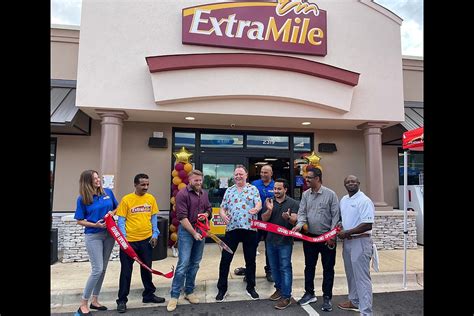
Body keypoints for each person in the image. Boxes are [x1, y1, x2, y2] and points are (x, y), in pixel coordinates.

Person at [115, 173, 165, 313]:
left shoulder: (151, 199)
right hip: (129, 243)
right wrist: (124, 240)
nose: (146, 187)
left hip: (146, 241)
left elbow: (153, 217)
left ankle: (148, 295)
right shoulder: (126, 200)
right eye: (143, 185)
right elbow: (121, 221)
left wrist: (155, 234)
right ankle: (122, 300)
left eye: (147, 184)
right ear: (135, 185)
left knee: (147, 269)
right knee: (126, 271)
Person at [292, 167, 340, 312]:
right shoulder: (306, 195)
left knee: (328, 269)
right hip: (310, 237)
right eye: (306, 178)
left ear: (318, 178)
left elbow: (335, 216)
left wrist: (332, 236)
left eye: (309, 178)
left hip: (327, 239)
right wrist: (299, 225)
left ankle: (327, 298)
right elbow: (302, 213)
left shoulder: (331, 194)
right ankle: (309, 293)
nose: (306, 180)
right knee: (309, 267)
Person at [74, 170, 118, 315]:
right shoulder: (82, 198)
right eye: (94, 179)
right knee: (97, 269)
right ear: (88, 182)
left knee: (103, 268)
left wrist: (112, 213)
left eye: (98, 177)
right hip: (94, 236)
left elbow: (116, 207)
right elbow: (80, 220)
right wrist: (96, 225)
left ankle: (95, 300)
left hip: (109, 234)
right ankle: (83, 303)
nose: (98, 180)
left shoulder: (108, 193)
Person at [167, 170, 212, 312]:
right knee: (183, 264)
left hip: (201, 230)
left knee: (195, 263)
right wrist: (193, 233)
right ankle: (174, 296)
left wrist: (206, 214)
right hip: (187, 231)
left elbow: (209, 208)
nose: (198, 183)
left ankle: (189, 292)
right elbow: (182, 217)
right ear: (189, 180)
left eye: (200, 180)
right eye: (196, 180)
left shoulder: (204, 193)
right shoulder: (182, 194)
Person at [215, 165, 262, 302]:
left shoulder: (253, 189)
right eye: (236, 174)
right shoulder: (229, 190)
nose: (238, 176)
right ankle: (222, 289)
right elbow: (222, 208)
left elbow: (259, 203)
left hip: (250, 229)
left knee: (250, 260)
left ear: (246, 175)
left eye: (241, 174)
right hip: (232, 229)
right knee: (225, 259)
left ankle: (251, 287)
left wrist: (256, 209)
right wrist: (223, 215)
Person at [337, 175, 375, 315]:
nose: (350, 183)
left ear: (358, 183)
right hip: (348, 242)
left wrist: (347, 232)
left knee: (362, 278)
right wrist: (341, 227)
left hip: (361, 241)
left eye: (353, 181)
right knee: (351, 275)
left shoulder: (364, 200)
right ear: (344, 185)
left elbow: (367, 224)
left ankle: (366, 311)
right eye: (347, 182)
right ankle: (354, 301)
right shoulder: (344, 200)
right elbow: (346, 219)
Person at [262, 178, 299, 310]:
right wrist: (269, 210)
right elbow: (264, 219)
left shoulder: (293, 203)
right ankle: (278, 289)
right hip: (270, 241)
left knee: (285, 268)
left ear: (285, 190)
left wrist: (288, 218)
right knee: (274, 267)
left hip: (285, 242)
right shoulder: (269, 201)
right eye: (275, 189)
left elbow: (295, 220)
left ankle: (286, 296)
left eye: (279, 189)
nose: (276, 191)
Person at [236, 164, 274, 282]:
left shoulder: (276, 186)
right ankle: (249, 272)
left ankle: (270, 271)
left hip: (270, 223)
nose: (263, 174)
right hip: (255, 222)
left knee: (270, 248)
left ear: (271, 174)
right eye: (261, 172)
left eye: (266, 172)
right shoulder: (254, 184)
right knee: (251, 247)